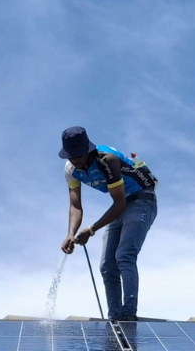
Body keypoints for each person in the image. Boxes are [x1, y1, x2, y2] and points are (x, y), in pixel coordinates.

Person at [58, 126, 157, 322]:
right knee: (106, 266)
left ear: (88, 150)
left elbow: (119, 203)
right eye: (70, 156)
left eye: (78, 155)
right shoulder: (71, 170)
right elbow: (76, 205)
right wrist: (71, 233)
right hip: (119, 206)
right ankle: (115, 319)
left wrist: (92, 230)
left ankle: (128, 315)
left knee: (124, 255)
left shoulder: (107, 160)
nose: (74, 160)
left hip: (141, 200)